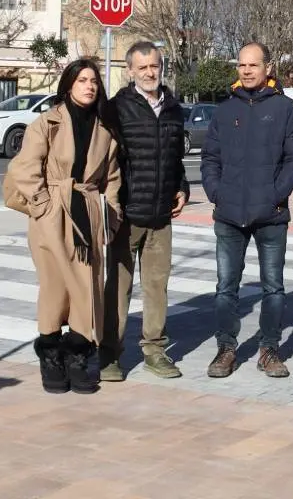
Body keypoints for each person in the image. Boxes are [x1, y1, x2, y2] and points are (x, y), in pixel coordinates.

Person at [3, 58, 121, 394]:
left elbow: (112, 178)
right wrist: (42, 206)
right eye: (82, 80)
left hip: (87, 211)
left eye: (93, 81)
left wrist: (111, 216)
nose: (89, 86)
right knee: (55, 288)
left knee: (87, 289)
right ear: (68, 84)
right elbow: (26, 167)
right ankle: (51, 354)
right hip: (53, 213)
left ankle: (78, 356)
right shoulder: (48, 122)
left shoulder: (104, 128)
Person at [200, 42, 293, 379]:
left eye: (253, 65)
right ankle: (226, 348)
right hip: (229, 214)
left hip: (271, 214)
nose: (246, 71)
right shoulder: (224, 110)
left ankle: (269, 349)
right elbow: (209, 158)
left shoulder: (286, 109)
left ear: (268, 67)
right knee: (225, 287)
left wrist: (277, 195)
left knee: (273, 287)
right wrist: (216, 192)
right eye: (241, 66)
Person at [99, 41, 189, 382]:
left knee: (156, 287)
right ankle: (109, 355)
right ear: (130, 72)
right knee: (118, 289)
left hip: (161, 216)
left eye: (155, 66)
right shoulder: (116, 108)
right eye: (143, 67)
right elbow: (106, 162)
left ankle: (154, 350)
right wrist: (113, 205)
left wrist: (182, 187)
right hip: (126, 216)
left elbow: (174, 160)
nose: (150, 72)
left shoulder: (173, 108)